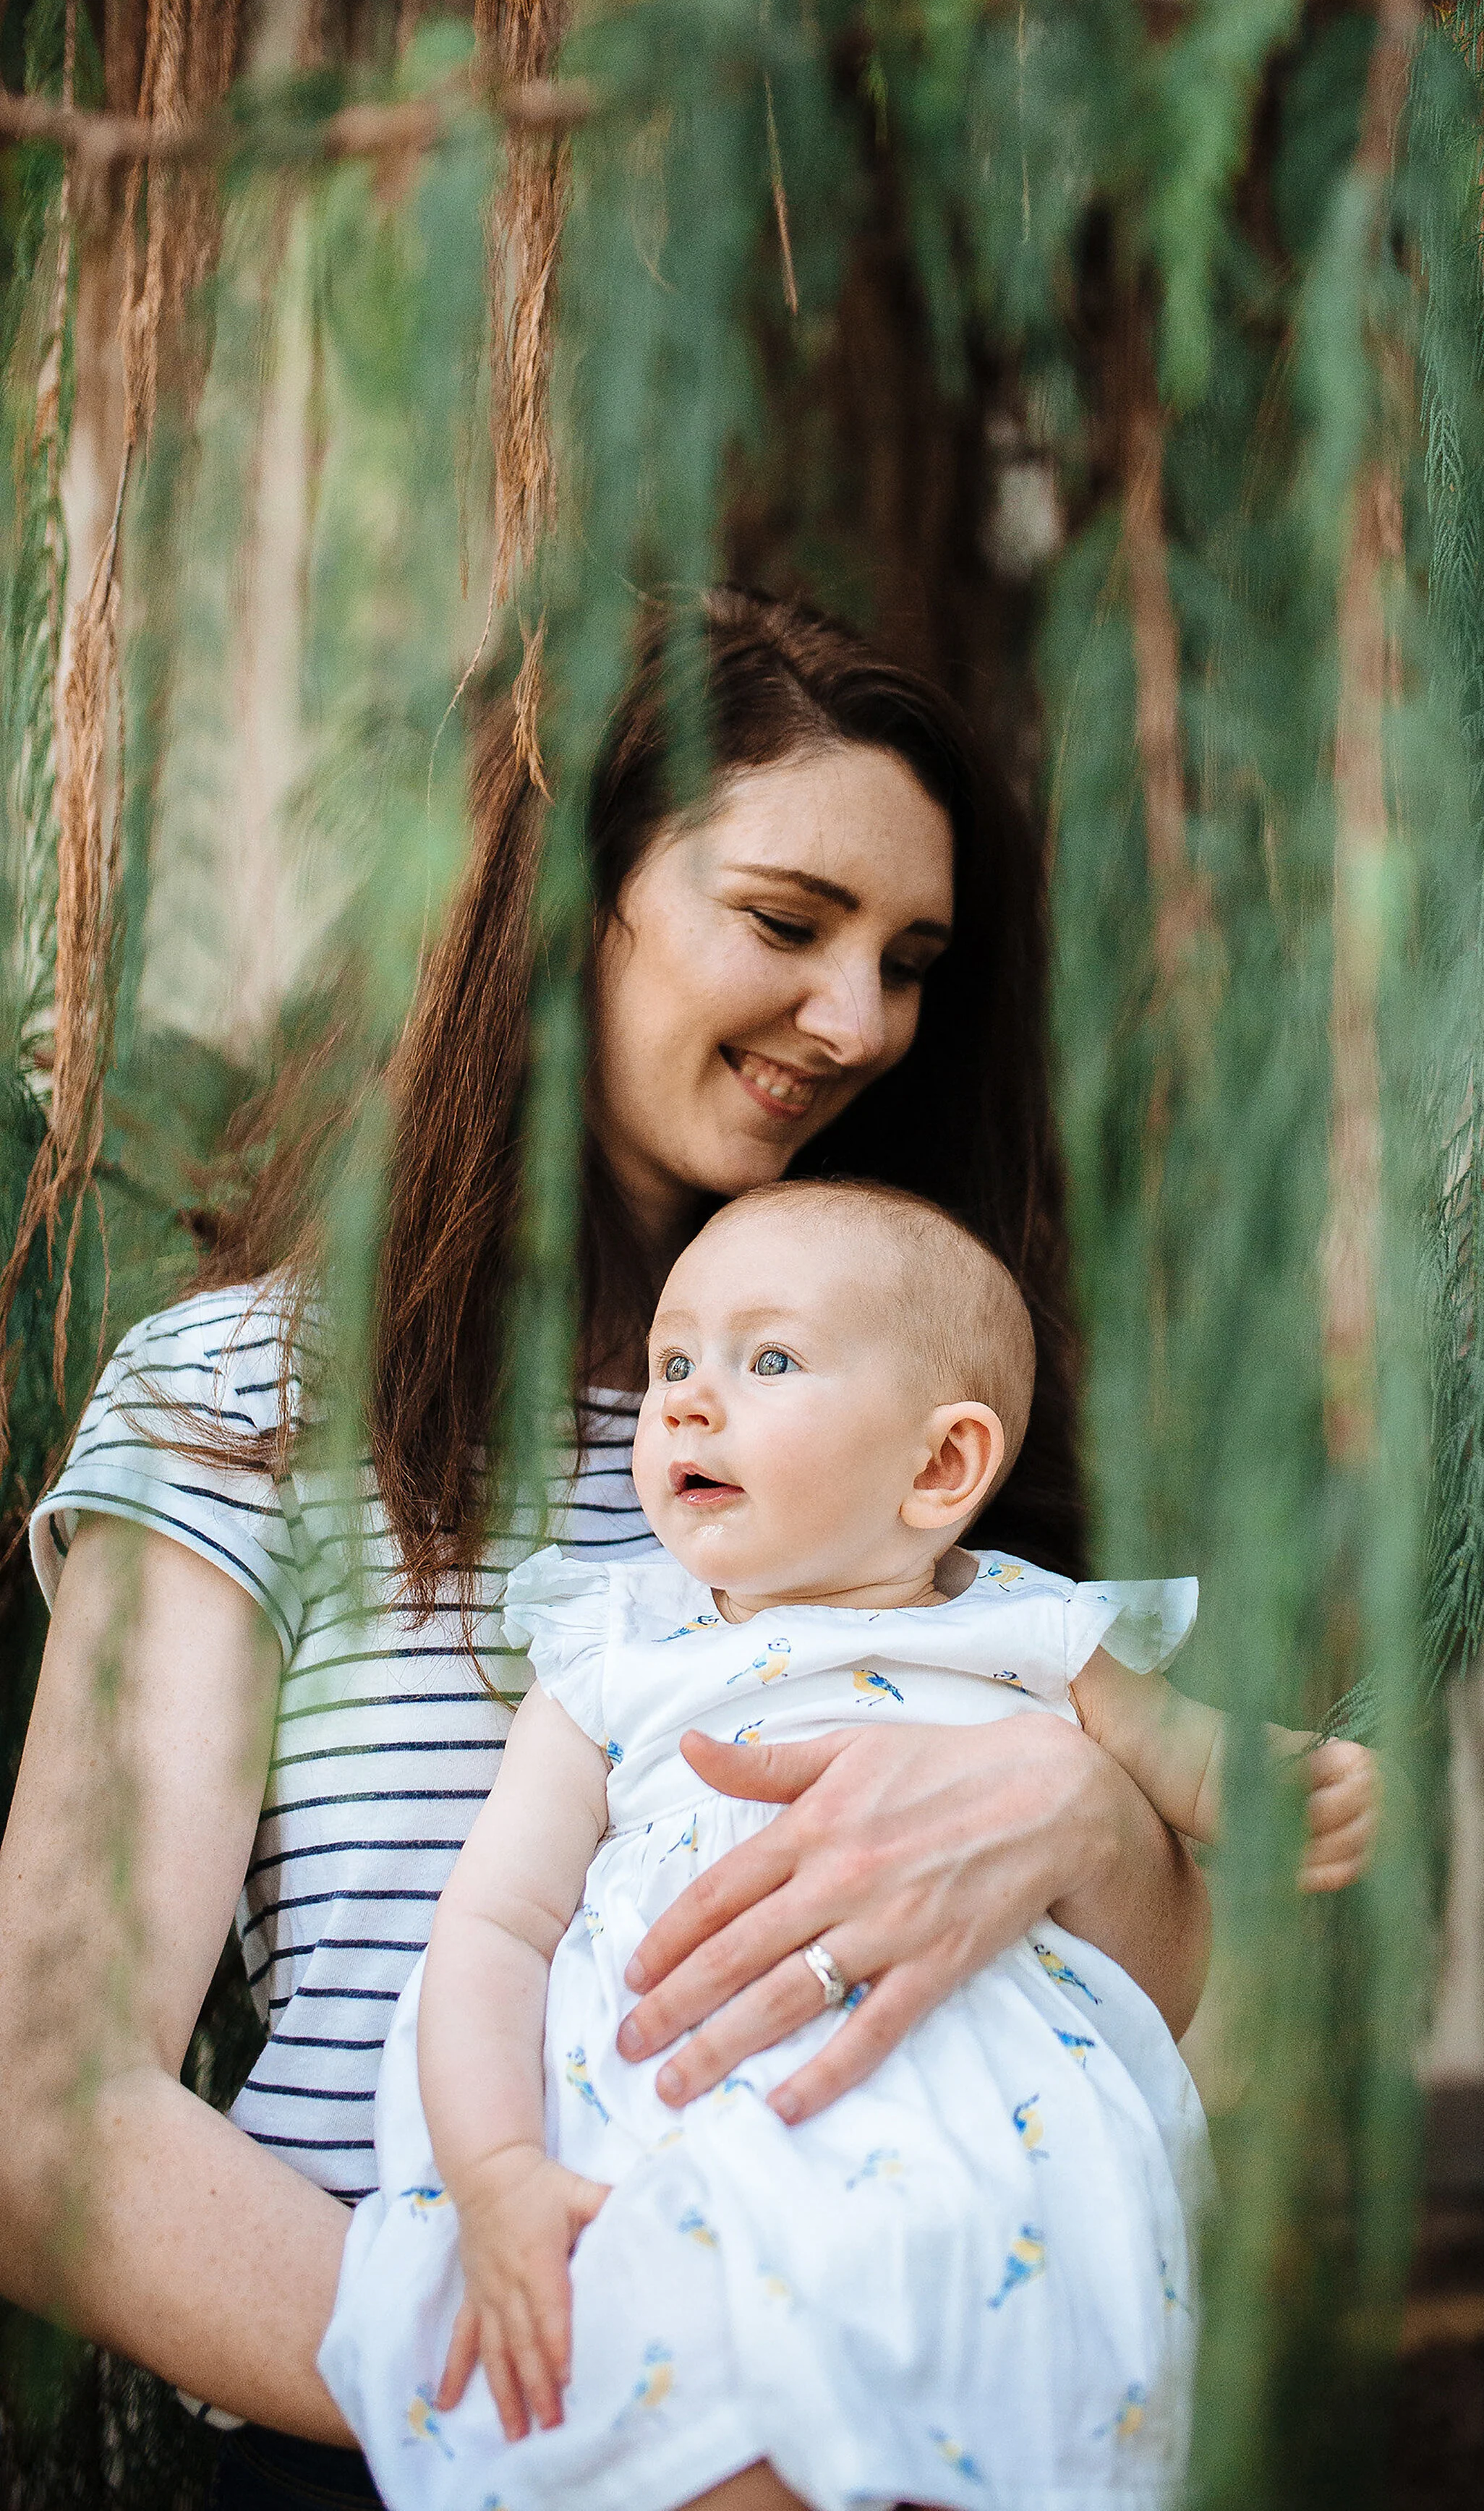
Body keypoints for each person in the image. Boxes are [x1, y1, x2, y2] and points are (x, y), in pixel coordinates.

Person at [0, 594, 1318, 2511]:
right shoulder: (249, 1395)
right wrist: (621, 2406)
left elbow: (1189, 2021)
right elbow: (47, 2111)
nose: (861, 1019)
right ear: (555, 903)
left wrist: (1084, 1819)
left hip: (956, 2431)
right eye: (786, 922)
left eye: (911, 957)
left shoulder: (934, 1426)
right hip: (431, 2423)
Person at [321, 1182, 1362, 2511]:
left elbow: (1199, 1764)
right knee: (702, 2418)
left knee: (993, 2415)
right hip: (683, 2109)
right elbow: (493, 1924)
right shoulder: (615, 1648)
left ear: (941, 1466)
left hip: (989, 2143)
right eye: (672, 1361)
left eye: (767, 1361)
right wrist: (496, 2170)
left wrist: (1303, 1790)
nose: (688, 1400)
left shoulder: (1029, 1629)